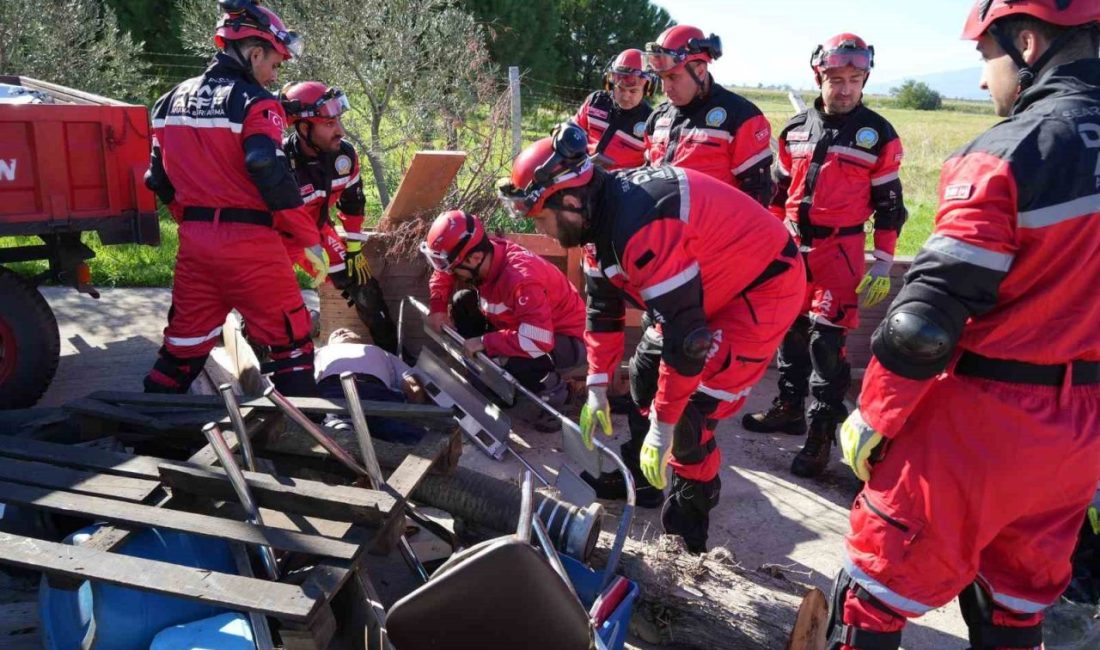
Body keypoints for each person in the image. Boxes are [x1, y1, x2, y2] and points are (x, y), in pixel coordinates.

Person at [825, 2, 1100, 648]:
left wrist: (874, 418)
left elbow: (921, 325)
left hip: (984, 428)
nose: (983, 82)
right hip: (1081, 435)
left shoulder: (1011, 153)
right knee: (1017, 600)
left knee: (873, 584)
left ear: (1027, 43)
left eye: (987, 58)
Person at [498, 123, 805, 552]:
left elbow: (688, 340)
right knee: (643, 376)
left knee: (689, 416)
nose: (545, 231)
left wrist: (664, 425)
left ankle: (688, 527)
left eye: (542, 219)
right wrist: (599, 385)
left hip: (758, 291)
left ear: (569, 200)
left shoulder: (640, 227)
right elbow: (603, 312)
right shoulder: (597, 224)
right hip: (703, 288)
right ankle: (644, 481)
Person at [741, 33, 908, 479]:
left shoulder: (878, 135)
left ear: (865, 80)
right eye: (836, 78)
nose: (845, 88)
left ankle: (819, 438)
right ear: (819, 77)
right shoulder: (794, 131)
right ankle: (789, 408)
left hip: (842, 253)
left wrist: (885, 261)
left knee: (826, 345)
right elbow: (777, 196)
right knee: (790, 332)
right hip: (793, 248)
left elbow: (890, 207)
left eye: (855, 79)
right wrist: (769, 244)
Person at [143, 0, 321, 396]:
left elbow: (158, 179)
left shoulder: (167, 102)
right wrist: (308, 239)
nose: (275, 75)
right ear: (254, 52)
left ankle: (148, 431)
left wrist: (192, 221)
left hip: (195, 246)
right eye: (274, 63)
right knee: (292, 342)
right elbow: (266, 168)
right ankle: (304, 441)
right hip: (251, 247)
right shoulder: (256, 103)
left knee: (182, 349)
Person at [420, 210, 587, 431]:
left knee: (520, 358)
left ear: (475, 259)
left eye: (453, 267)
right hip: (522, 326)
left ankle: (558, 396)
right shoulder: (480, 254)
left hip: (566, 340)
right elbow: (444, 272)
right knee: (463, 302)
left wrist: (486, 342)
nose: (450, 272)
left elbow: (537, 340)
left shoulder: (522, 279)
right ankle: (496, 384)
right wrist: (438, 306)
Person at [279, 81, 400, 354]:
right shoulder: (279, 161)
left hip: (318, 232)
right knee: (269, 304)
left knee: (363, 286)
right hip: (275, 240)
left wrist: (355, 249)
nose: (340, 131)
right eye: (330, 124)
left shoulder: (344, 155)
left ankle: (393, 357)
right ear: (304, 127)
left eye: (338, 121)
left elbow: (353, 202)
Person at [642, 25, 774, 204]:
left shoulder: (741, 116)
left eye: (673, 77)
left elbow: (757, 194)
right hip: (662, 229)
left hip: (715, 230)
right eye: (661, 78)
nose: (665, 89)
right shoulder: (657, 119)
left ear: (700, 72)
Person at [314, 328, 424, 445]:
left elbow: (409, 379)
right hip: (336, 389)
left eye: (347, 330)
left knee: (406, 433)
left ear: (360, 337)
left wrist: (415, 408)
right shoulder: (321, 351)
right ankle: (341, 430)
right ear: (329, 343)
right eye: (335, 334)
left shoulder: (380, 352)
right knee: (340, 425)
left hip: (377, 394)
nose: (341, 332)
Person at [572, 48, 656, 170]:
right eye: (620, 89)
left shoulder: (651, 122)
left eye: (633, 91)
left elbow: (654, 163)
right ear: (610, 84)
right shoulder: (596, 101)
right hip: (584, 171)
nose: (626, 96)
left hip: (624, 184)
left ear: (647, 89)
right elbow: (574, 131)